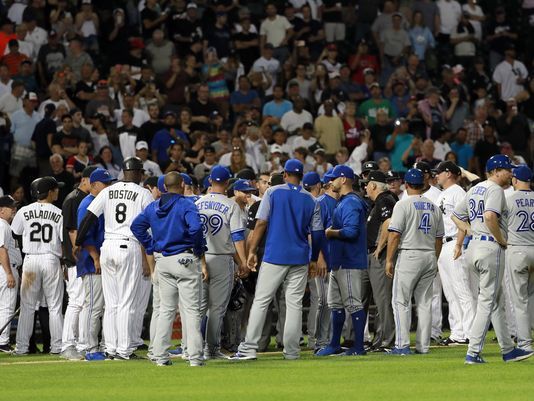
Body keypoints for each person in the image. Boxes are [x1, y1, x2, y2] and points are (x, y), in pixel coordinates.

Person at [232, 159, 324, 360]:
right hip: (299, 257)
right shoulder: (311, 199)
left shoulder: (273, 192)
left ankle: (248, 349)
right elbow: (317, 234)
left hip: (275, 255)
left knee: (262, 301)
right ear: (300, 177)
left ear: (285, 174)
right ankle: (292, 351)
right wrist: (314, 258)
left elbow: (261, 223)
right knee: (294, 305)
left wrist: (252, 251)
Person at [452, 154, 533, 364]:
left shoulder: (474, 189)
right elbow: (489, 216)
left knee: (495, 301)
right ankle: (473, 352)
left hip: (475, 248)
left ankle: (508, 350)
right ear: (496, 171)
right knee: (487, 301)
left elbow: (456, 215)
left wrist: (469, 230)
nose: (510, 173)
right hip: (490, 247)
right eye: (507, 169)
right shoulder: (495, 189)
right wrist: (501, 239)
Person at [75, 157, 153, 360]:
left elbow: (89, 217)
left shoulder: (108, 191)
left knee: (112, 303)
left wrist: (79, 241)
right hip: (129, 246)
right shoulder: (143, 193)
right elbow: (152, 222)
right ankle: (124, 350)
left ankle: (110, 348)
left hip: (107, 246)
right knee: (127, 301)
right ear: (137, 173)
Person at [131, 172, 207, 367]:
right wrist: (199, 250)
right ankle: (195, 357)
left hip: (163, 260)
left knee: (166, 310)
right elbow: (196, 228)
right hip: (185, 258)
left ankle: (160, 356)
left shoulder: (154, 206)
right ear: (182, 184)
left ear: (164, 186)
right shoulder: (186, 204)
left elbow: (136, 226)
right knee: (190, 311)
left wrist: (151, 245)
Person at [386, 168, 444, 355]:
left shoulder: (402, 205)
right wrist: (434, 259)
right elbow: (438, 238)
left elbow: (394, 235)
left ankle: (402, 345)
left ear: (407, 184)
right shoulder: (433, 206)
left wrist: (388, 260)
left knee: (401, 301)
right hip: (429, 255)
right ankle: (423, 346)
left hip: (410, 255)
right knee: (425, 303)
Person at [195, 166, 247, 359]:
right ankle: (211, 349)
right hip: (222, 258)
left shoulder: (198, 202)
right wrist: (242, 262)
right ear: (227, 183)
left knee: (199, 307)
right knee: (217, 308)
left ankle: (192, 348)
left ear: (210, 181)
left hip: (199, 258)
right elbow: (237, 237)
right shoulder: (230, 205)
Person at [316, 165, 368, 357]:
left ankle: (359, 347)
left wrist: (331, 232)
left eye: (334, 178)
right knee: (335, 304)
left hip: (349, 260)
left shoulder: (351, 202)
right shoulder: (344, 202)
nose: (331, 182)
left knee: (353, 304)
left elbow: (351, 232)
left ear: (344, 179)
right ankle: (334, 344)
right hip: (339, 260)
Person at [12, 177, 64, 355]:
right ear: (49, 192)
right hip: (50, 259)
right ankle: (57, 347)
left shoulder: (24, 211)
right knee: (55, 306)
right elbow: (63, 241)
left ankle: (22, 347)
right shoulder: (58, 212)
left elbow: (16, 232)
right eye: (55, 189)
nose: (57, 191)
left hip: (31, 260)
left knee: (27, 307)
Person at [434, 161, 475, 346]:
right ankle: (458, 333)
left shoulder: (458, 192)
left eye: (439, 172)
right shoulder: (443, 194)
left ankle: (471, 333)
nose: (437, 175)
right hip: (443, 245)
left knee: (462, 291)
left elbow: (464, 220)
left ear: (449, 173)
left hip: (454, 244)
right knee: (450, 294)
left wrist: (459, 244)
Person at [75, 168, 114, 361]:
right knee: (93, 306)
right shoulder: (87, 204)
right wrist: (96, 257)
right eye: (105, 184)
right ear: (94, 185)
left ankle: (104, 346)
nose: (108, 187)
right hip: (91, 262)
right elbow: (85, 235)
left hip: (101, 259)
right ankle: (88, 347)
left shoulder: (102, 202)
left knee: (105, 306)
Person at [59, 166, 96, 361]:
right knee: (76, 301)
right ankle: (67, 345)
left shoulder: (81, 197)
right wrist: (78, 253)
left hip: (77, 258)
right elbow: (72, 230)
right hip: (75, 259)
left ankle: (80, 344)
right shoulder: (75, 198)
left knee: (82, 302)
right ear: (85, 180)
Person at [363, 170, 397, 351]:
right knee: (379, 300)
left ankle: (388, 341)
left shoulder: (385, 199)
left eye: (367, 184)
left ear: (374, 185)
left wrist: (380, 246)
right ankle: (379, 340)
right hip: (372, 256)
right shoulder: (378, 201)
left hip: (381, 257)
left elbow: (389, 223)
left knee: (383, 300)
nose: (365, 187)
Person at [506, 165, 534, 352]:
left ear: (515, 180)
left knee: (520, 300)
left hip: (517, 251)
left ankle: (525, 343)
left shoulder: (509, 200)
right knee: (531, 297)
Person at [0, 195, 21, 353]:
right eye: (10, 207)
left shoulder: (5, 225)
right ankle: (3, 342)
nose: (14, 209)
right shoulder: (2, 225)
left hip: (6, 268)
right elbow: (1, 250)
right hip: (5, 268)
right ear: (1, 210)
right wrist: (8, 273)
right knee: (6, 307)